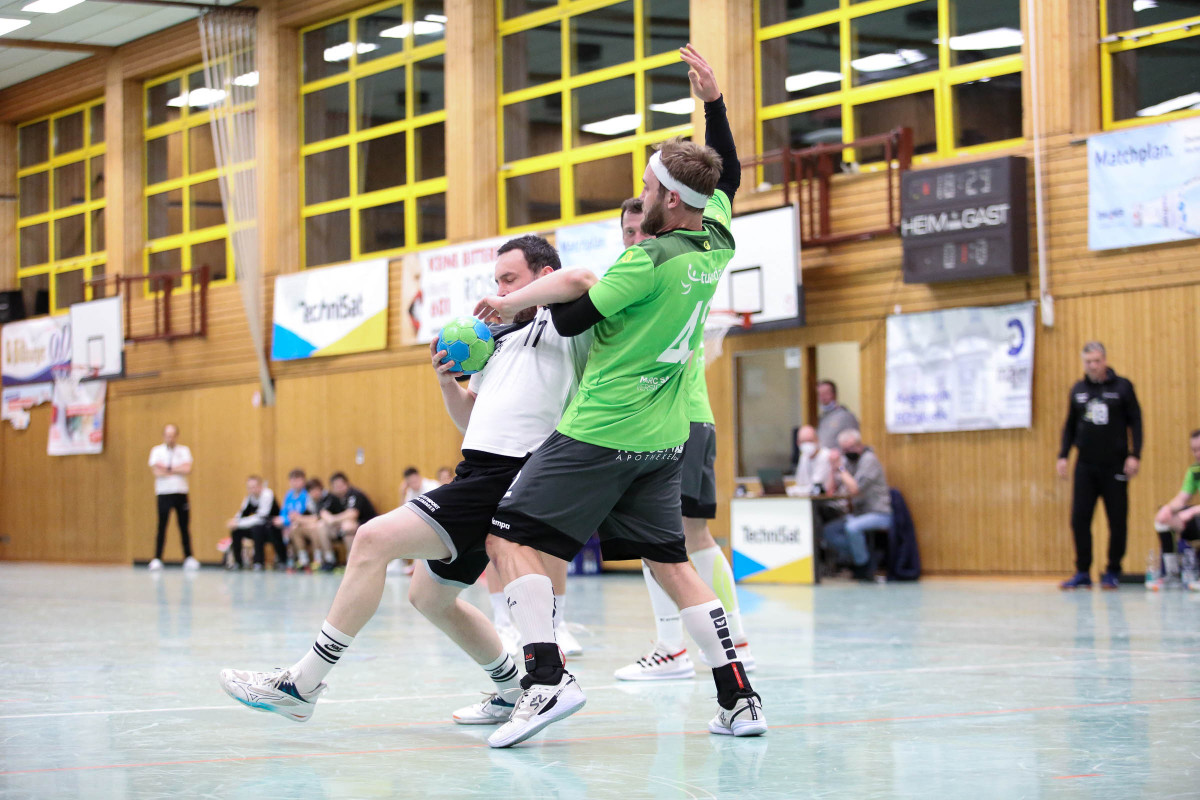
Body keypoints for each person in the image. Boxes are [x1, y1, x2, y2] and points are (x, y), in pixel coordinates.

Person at [475, 45, 766, 748]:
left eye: (647, 187)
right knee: (673, 563)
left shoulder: (645, 260)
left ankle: (545, 679)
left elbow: (573, 319)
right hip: (664, 438)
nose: (642, 195)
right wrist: (713, 104)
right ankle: (739, 698)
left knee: (506, 535)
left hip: (601, 429)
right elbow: (726, 172)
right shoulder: (716, 241)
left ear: (670, 199)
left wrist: (541, 293)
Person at [218, 234, 593, 732]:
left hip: (512, 472)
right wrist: (446, 382)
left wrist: (509, 301)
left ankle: (301, 685)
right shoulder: (497, 340)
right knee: (428, 597)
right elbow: (471, 420)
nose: (499, 291)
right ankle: (510, 690)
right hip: (476, 468)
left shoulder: (565, 324)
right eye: (496, 281)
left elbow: (580, 280)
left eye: (509, 280)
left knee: (371, 538)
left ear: (542, 277)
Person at [612, 74, 755, 685]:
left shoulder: (660, 266)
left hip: (670, 418)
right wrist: (714, 104)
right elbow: (727, 178)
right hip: (685, 417)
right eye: (625, 233)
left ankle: (677, 648)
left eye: (637, 226)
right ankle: (730, 636)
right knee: (690, 536)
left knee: (666, 538)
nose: (633, 238)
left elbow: (723, 179)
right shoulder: (696, 250)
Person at [1057, 342, 1142, 590]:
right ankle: (1083, 571)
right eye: (1088, 362)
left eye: (1097, 361)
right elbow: (1070, 426)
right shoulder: (1078, 390)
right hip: (1085, 465)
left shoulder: (1122, 387)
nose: (1093, 366)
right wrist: (1063, 455)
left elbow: (1136, 423)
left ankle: (1113, 570)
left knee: (1117, 519)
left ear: (1104, 360)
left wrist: (1135, 455)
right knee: (1079, 519)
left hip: (1115, 465)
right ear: (1083, 363)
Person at [821, 429, 892, 581]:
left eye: (851, 447)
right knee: (828, 531)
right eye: (845, 450)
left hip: (878, 512)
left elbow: (855, 489)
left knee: (852, 528)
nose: (848, 452)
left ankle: (863, 566)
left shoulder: (869, 460)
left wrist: (841, 468)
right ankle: (862, 556)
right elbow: (830, 490)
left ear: (860, 445)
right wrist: (833, 469)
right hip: (858, 514)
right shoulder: (848, 462)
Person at [147, 423, 198, 571]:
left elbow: (187, 469)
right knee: (162, 526)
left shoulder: (184, 451)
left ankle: (188, 557)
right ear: (164, 436)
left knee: (184, 526)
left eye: (172, 435)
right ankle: (157, 558)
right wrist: (177, 469)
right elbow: (156, 471)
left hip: (180, 492)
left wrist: (167, 468)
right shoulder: (157, 451)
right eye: (167, 435)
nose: (170, 438)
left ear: (176, 436)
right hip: (164, 493)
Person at [1153, 429, 1200, 585]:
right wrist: (1167, 509)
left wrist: (1191, 512)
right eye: (1194, 450)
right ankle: (1172, 572)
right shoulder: (1194, 471)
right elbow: (1181, 499)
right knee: (1162, 521)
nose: (1197, 454)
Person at [227, 475, 285, 571]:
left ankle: (258, 562)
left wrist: (239, 523)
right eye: (249, 488)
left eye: (254, 487)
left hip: (272, 529)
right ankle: (238, 562)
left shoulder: (267, 495)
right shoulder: (249, 497)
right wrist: (235, 521)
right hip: (258, 528)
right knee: (236, 531)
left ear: (260, 486)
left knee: (257, 529)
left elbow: (261, 517)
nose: (251, 490)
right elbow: (242, 513)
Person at [320, 472, 377, 560]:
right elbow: (323, 512)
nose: (339, 488)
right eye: (336, 486)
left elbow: (352, 514)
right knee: (321, 526)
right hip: (342, 526)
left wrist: (334, 520)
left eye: (340, 485)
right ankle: (329, 559)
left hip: (366, 525)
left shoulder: (355, 494)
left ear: (347, 484)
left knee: (347, 527)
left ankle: (351, 560)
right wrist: (330, 520)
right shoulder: (332, 497)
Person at [292, 477, 337, 571]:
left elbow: (319, 517)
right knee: (295, 528)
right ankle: (303, 559)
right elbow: (305, 516)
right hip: (318, 526)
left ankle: (320, 559)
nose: (315, 493)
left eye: (317, 490)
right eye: (312, 491)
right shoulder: (310, 501)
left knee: (316, 527)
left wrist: (301, 519)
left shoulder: (328, 498)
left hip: (333, 528)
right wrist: (298, 519)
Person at [277, 468, 316, 570]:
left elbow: (307, 513)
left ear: (303, 481)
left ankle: (303, 559)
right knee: (275, 527)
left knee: (293, 529)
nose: (295, 483)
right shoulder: (289, 494)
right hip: (291, 523)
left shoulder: (307, 494)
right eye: (293, 480)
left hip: (303, 523)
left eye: (298, 480)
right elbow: (284, 512)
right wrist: (284, 520)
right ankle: (284, 559)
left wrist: (291, 520)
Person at [792, 424, 836, 497]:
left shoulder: (826, 456)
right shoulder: (804, 457)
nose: (807, 445)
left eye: (810, 441)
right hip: (807, 499)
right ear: (798, 443)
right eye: (803, 442)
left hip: (825, 501)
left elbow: (816, 487)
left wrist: (796, 491)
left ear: (817, 439)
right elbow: (800, 483)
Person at [816, 380, 860, 451]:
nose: (822, 397)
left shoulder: (846, 416)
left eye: (826, 393)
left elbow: (855, 442)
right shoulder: (821, 418)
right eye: (820, 394)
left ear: (834, 394)